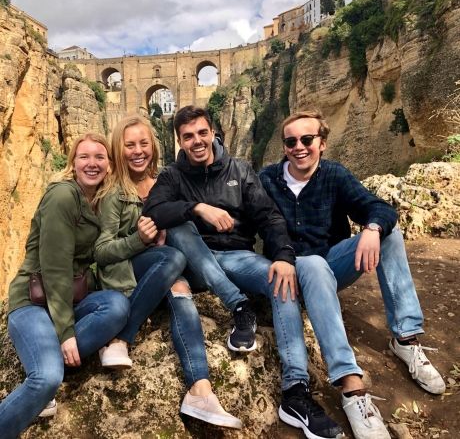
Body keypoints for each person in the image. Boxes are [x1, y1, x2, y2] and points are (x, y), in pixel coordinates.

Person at [143, 105, 345, 439]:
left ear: (213, 133)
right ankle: (238, 304)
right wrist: (197, 208)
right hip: (193, 263)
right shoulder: (171, 176)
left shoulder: (239, 169)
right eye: (188, 136)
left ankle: (295, 390)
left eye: (202, 133)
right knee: (180, 228)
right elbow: (154, 209)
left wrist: (282, 255)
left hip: (236, 256)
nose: (196, 141)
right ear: (178, 140)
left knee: (283, 283)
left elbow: (268, 216)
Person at [259, 109, 446, 439]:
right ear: (284, 146)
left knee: (390, 234)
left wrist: (372, 228)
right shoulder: (268, 180)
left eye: (307, 139)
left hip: (331, 265)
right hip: (292, 272)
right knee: (312, 264)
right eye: (291, 141)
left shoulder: (333, 175)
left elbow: (380, 208)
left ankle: (406, 337)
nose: (299, 147)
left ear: (323, 143)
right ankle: (351, 386)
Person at [94, 114, 242, 429]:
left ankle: (200, 390)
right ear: (119, 149)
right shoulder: (113, 192)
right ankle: (121, 336)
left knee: (182, 291)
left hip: (168, 271)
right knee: (173, 258)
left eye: (143, 143)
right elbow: (102, 252)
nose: (137, 151)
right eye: (129, 144)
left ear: (154, 146)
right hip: (133, 272)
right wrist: (140, 240)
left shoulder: (167, 180)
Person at [0, 134, 130, 439]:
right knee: (46, 378)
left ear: (109, 166)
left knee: (116, 306)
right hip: (33, 302)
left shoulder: (99, 202)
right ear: (73, 162)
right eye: (84, 156)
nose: (92, 163)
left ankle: (42, 377)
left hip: (69, 299)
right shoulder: (62, 196)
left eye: (100, 157)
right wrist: (67, 333)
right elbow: (55, 268)